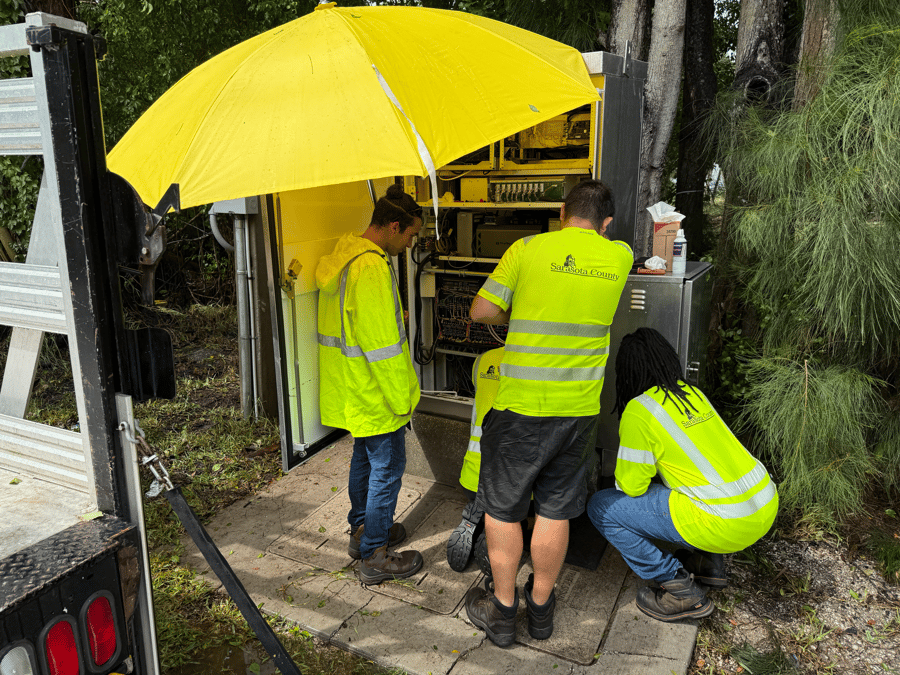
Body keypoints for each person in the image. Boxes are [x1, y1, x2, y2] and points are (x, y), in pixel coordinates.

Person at [465, 179, 634, 647]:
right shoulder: (618, 256)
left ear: (561, 212)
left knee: (502, 508)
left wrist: (512, 314)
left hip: (519, 408)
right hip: (578, 412)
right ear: (606, 224)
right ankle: (540, 608)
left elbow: (481, 310)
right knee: (555, 511)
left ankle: (502, 612)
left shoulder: (525, 249)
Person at [586, 327, 779, 622]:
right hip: (763, 504)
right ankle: (708, 564)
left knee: (601, 507)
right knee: (687, 488)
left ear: (626, 372)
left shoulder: (640, 410)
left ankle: (678, 588)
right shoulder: (690, 393)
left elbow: (632, 486)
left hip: (724, 522)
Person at [316, 183, 424, 585]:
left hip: (352, 387)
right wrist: (404, 399)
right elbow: (383, 349)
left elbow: (358, 331)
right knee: (388, 466)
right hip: (377, 392)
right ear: (393, 226)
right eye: (410, 235)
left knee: (364, 459)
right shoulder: (372, 268)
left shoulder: (344, 256)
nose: (410, 245)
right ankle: (375, 553)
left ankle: (362, 531)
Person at [446, 347, 504, 573]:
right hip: (509, 484)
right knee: (514, 512)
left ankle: (476, 519)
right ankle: (497, 534)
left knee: (486, 496)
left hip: (472, 477)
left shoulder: (484, 359)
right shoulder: (538, 365)